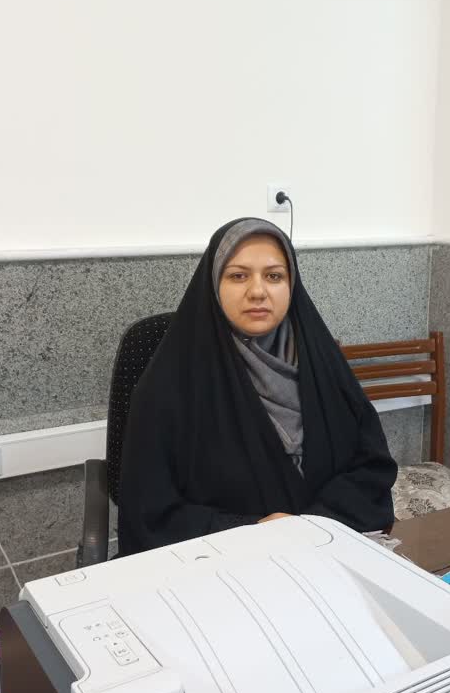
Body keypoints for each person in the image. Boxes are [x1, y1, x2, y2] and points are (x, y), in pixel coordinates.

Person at [118, 218, 398, 555]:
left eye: (274, 276)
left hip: (326, 548)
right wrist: (254, 530)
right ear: (213, 284)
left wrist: (311, 525)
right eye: (238, 276)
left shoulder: (323, 364)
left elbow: (371, 468)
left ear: (292, 284)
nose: (257, 291)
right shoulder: (169, 386)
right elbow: (150, 513)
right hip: (224, 562)